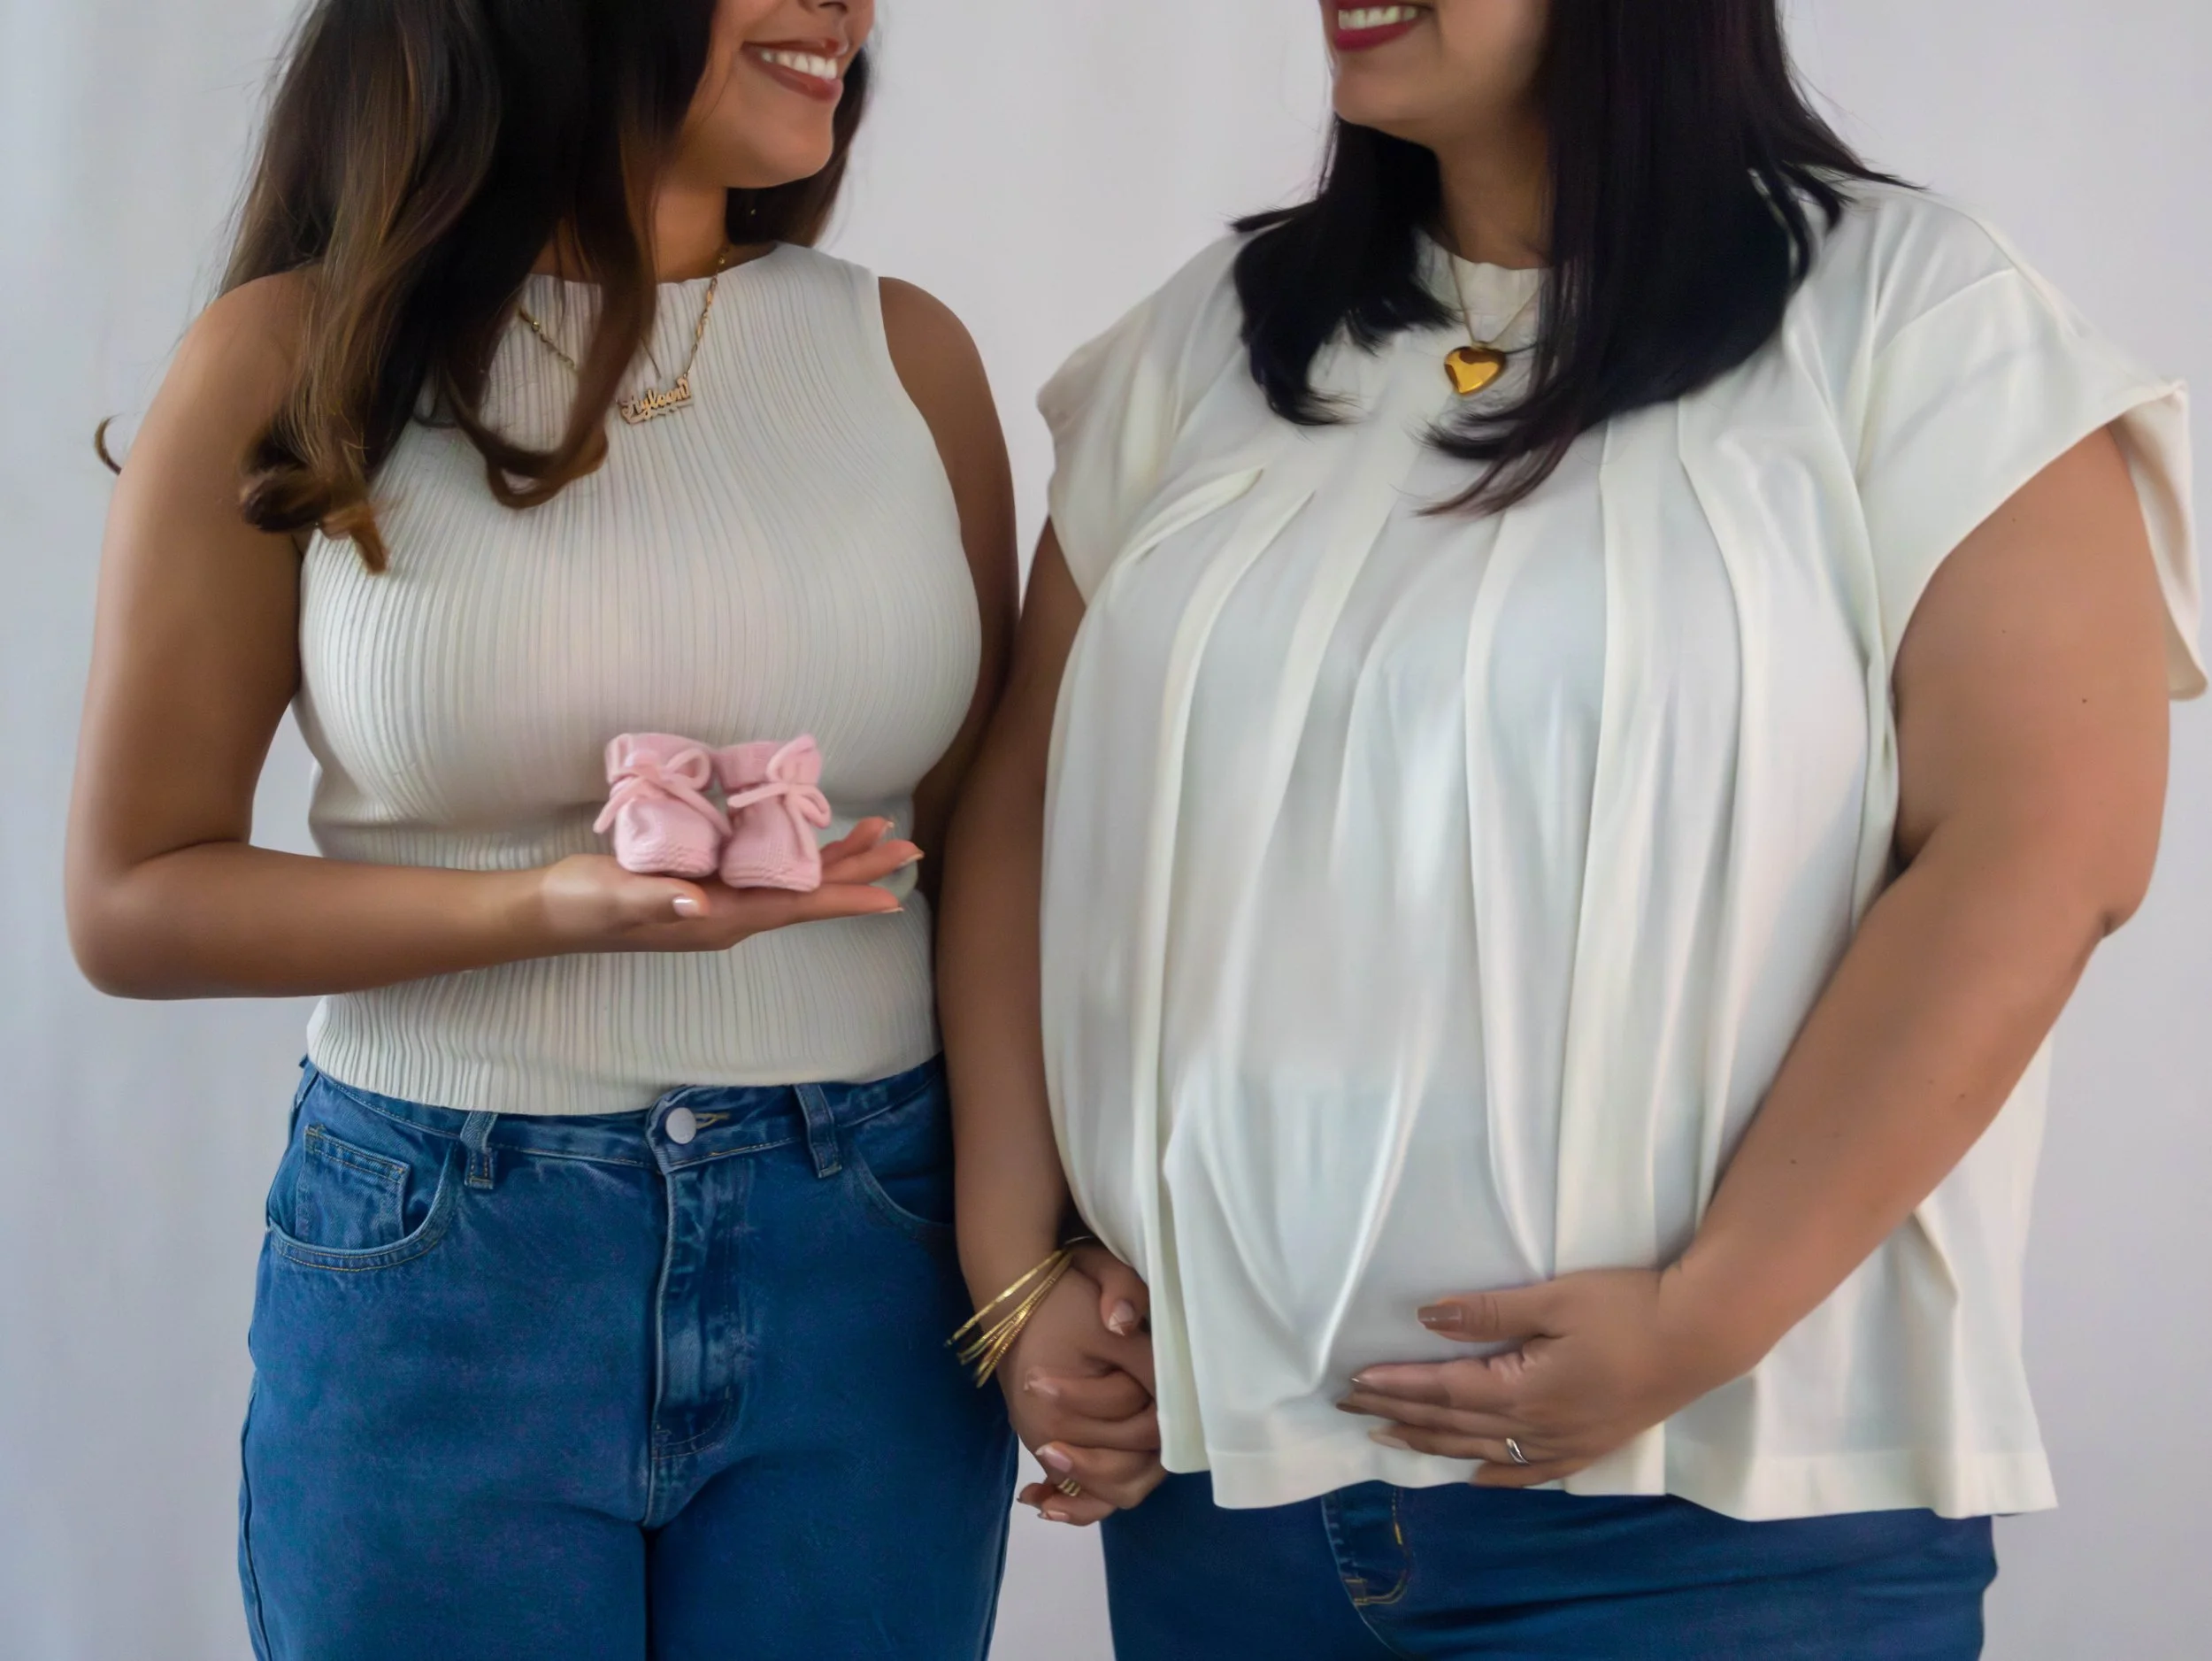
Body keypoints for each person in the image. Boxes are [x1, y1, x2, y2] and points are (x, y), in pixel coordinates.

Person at [940, 0, 2204, 1655]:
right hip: (1227, 1520)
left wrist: (1708, 1312)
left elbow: (2046, 845)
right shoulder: (1213, 341)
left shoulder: (1916, 315)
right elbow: (1025, 806)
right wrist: (1012, 1272)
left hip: (1716, 1527)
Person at [66, 2, 1027, 1655]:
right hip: (451, 1256)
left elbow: (980, 865)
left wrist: (1034, 1247)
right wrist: (546, 908)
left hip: (867, 1247)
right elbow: (133, 900)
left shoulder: (907, 355)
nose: (845, 9)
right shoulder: (292, 354)